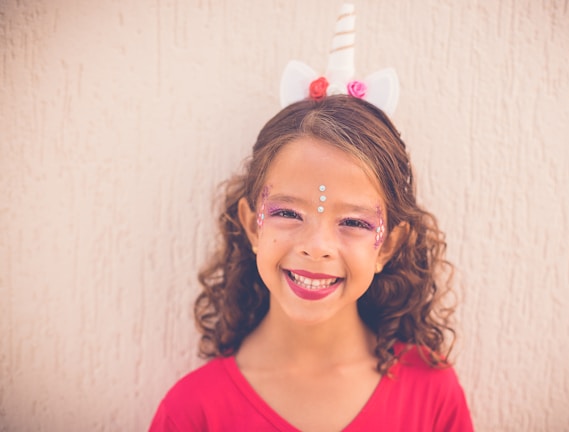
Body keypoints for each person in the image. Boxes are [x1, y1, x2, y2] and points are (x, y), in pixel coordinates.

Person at [150, 4, 472, 431]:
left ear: (389, 245)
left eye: (354, 222)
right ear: (251, 226)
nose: (316, 246)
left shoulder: (431, 392)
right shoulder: (194, 410)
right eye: (286, 212)